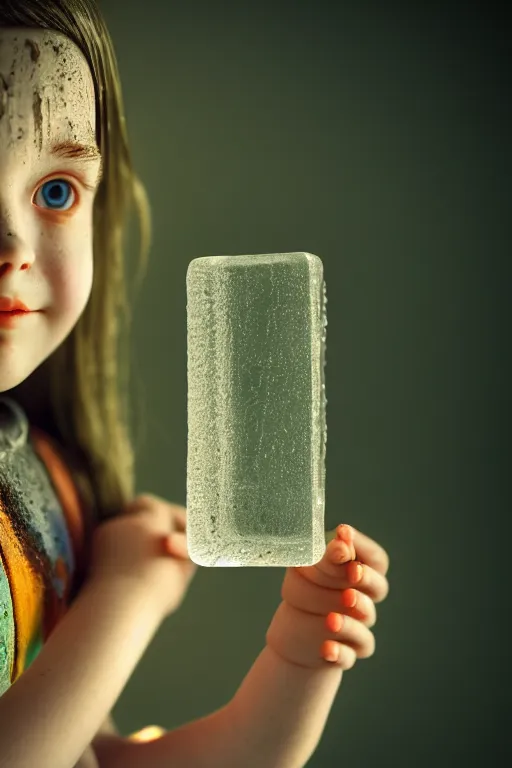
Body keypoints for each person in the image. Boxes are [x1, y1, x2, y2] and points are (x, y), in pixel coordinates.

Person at [0, 2, 390, 766]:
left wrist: (295, 667)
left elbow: (95, 757)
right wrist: (127, 599)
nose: (12, 244)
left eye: (55, 191)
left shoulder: (46, 482)